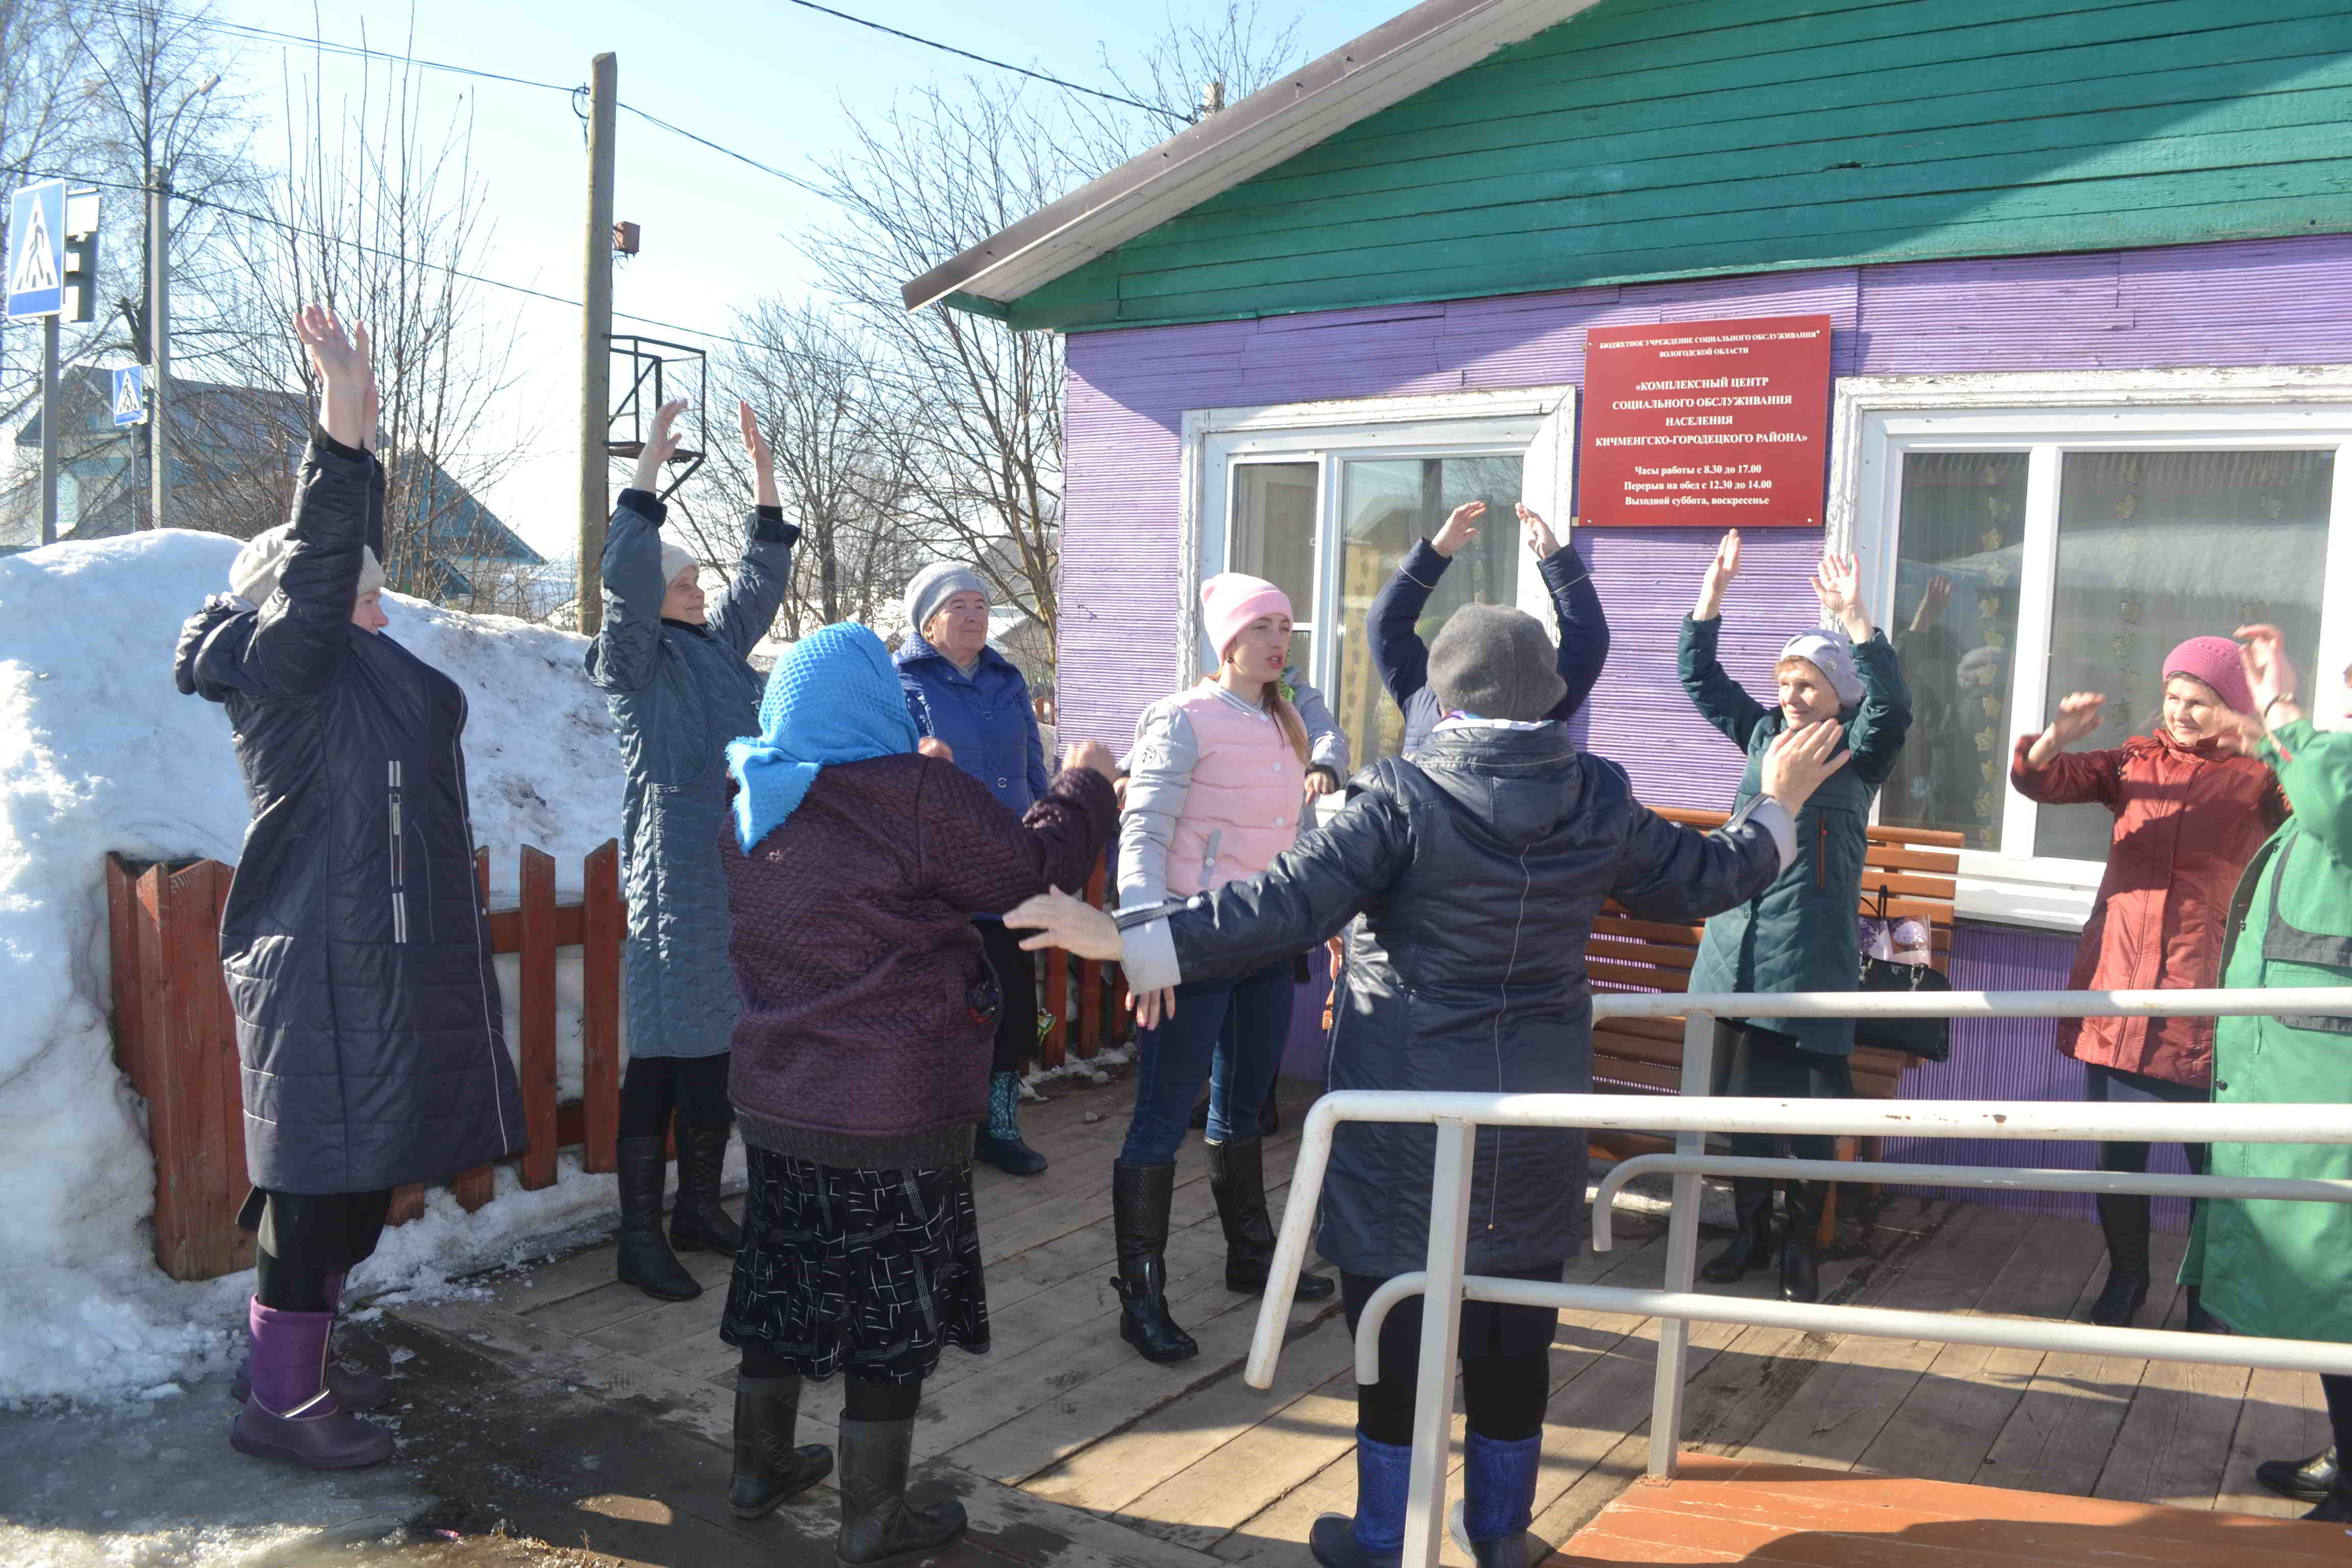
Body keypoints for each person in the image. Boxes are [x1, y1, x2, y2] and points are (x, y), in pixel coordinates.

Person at [1007, 605, 1853, 1568]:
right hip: (1534, 1117)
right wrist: (1776, 803)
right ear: (1548, 699)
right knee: (1513, 1327)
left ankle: (1382, 1539)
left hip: (1404, 1113)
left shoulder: (1398, 798)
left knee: (1397, 1326)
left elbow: (1276, 907)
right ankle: (1498, 1534)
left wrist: (1126, 936)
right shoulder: (1596, 797)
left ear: (1441, 696)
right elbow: (1710, 874)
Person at [174, 306, 525, 1469]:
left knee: (356, 1187)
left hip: (378, 952)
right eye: (362, 592)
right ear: (306, 603)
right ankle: (280, 1397)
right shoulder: (294, 664)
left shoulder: (347, 667)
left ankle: (293, 1353)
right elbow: (325, 554)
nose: (381, 606)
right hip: (321, 956)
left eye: (374, 594)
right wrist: (346, 408)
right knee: (324, 1188)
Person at [716, 622, 1117, 1561]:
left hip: (781, 1094)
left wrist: (915, 775)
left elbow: (864, 845)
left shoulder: (752, 794)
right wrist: (1084, 781)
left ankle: (755, 1470)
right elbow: (1023, 873)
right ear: (874, 706)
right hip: (892, 1102)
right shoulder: (914, 797)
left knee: (783, 1278)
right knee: (890, 1304)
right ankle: (871, 1520)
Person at [586, 397, 796, 1303]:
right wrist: (645, 479)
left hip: (732, 862)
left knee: (716, 1042)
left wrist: (763, 478)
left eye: (696, 582)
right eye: (685, 581)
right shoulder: (633, 660)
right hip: (672, 867)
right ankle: (639, 1233)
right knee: (665, 1049)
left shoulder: (714, 649)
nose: (701, 589)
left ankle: (698, 1207)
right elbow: (626, 577)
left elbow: (762, 578)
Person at [2011, 638, 2287, 1328]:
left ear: (2233, 707)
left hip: (2205, 996)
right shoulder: (2134, 762)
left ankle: (2207, 1298)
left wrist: (2281, 731)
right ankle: (2126, 1282)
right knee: (2119, 1159)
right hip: (2119, 988)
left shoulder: (2259, 775)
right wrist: (2053, 739)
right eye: (2174, 695)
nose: (2183, 711)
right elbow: (2041, 782)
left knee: (2209, 1171)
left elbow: (2326, 805)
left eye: (2201, 700)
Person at [1112, 573, 1345, 1366]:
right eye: (1264, 627)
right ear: (1228, 641)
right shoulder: (1181, 719)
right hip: (1191, 946)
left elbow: (1301, 818)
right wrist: (1146, 945)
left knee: (1245, 1107)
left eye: (1287, 625)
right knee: (1159, 1117)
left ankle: (1250, 1255)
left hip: (1269, 946)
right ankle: (1140, 1295)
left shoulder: (1286, 718)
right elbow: (1142, 833)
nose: (1281, 640)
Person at [1680, 533, 1912, 1304]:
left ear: (1840, 692)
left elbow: (1896, 703)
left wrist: (1857, 620)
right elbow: (1698, 677)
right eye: (1784, 681)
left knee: (1811, 1111)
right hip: (1734, 949)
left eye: (1807, 683)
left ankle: (1800, 1245)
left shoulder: (1860, 749)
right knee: (1742, 1106)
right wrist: (1711, 600)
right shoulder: (1759, 734)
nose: (1791, 694)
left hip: (1809, 960)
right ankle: (1750, 1232)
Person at [2182, 626, 2352, 1522]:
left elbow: (2335, 809)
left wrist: (2281, 709)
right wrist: (2268, 734)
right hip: (2292, 1083)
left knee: (2339, 1284)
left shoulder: (2340, 778)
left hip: (2330, 1096)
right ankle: (2348, 1455)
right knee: (2325, 1294)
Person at [895, 563, 1063, 1175]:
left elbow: (1035, 765)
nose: (973, 616)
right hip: (940, 870)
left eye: (981, 606)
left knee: (1013, 1001)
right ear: (929, 620)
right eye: (959, 605)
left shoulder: (1007, 678)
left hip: (1008, 860)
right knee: (942, 1004)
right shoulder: (903, 681)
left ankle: (1000, 1124)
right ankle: (936, 1129)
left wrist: (1043, 828)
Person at [1366, 501, 1608, 756]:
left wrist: (1435, 554)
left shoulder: (1425, 697)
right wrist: (1556, 560)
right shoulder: (1542, 704)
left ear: (1447, 656)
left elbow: (1385, 622)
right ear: (1536, 663)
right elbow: (1589, 639)